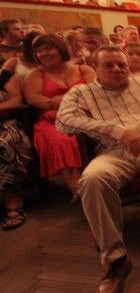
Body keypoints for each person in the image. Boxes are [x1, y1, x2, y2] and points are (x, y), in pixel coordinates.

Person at [56, 45, 140, 293]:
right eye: (109, 65)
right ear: (95, 68)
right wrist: (116, 131)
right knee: (93, 179)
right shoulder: (83, 92)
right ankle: (117, 260)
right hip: (115, 152)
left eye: (122, 64)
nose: (117, 69)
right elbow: (63, 121)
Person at [24, 34, 96, 204]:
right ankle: (79, 191)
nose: (43, 54)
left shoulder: (84, 70)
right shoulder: (36, 74)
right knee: (62, 139)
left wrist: (59, 101)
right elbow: (34, 99)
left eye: (48, 49)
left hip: (86, 115)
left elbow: (95, 94)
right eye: (39, 51)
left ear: (61, 49)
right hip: (52, 120)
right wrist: (70, 101)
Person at [0, 71, 32, 229]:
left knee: (3, 144)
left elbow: (15, 102)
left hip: (7, 124)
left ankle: (12, 200)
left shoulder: (5, 76)